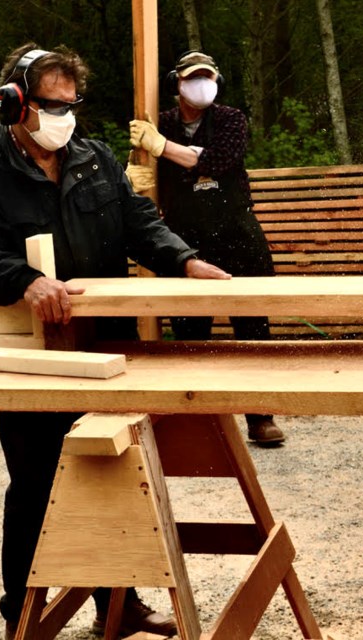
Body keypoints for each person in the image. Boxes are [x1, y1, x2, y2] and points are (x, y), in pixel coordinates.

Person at [0, 43, 231, 640]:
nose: (64, 116)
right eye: (52, 104)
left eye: (71, 103)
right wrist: (26, 281)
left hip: (110, 349)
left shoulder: (94, 159)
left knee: (113, 474)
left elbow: (140, 224)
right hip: (37, 359)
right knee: (36, 488)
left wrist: (184, 262)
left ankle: (119, 605)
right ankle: (21, 618)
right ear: (16, 104)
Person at [127, 50, 285, 447]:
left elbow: (217, 161)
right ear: (176, 85)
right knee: (188, 332)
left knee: (252, 330)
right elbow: (146, 166)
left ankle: (260, 416)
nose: (202, 84)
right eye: (193, 77)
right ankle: (195, 419)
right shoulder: (158, 125)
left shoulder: (230, 119)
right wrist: (134, 174)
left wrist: (162, 149)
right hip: (185, 239)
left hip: (237, 235)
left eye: (208, 77)